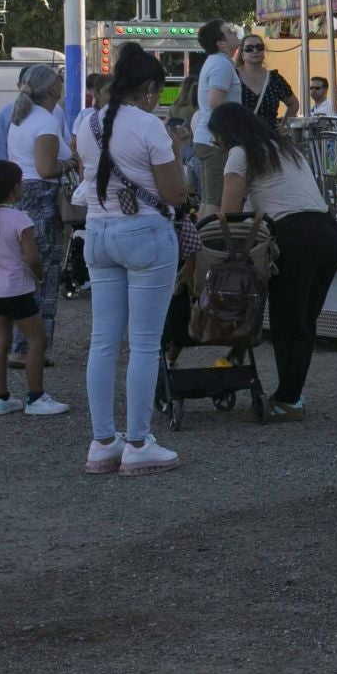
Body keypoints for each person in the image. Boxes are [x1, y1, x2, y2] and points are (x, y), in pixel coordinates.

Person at [74, 44, 189, 478]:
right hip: (144, 234)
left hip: (98, 233)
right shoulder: (150, 127)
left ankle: (103, 441)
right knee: (143, 343)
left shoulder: (87, 123)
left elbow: (90, 170)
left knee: (103, 341)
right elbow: (174, 193)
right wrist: (177, 149)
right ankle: (139, 442)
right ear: (148, 88)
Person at [212, 102, 337, 418]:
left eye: (216, 136)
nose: (216, 143)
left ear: (226, 133)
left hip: (293, 235)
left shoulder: (240, 154)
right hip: (329, 232)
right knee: (304, 320)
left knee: (287, 321)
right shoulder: (286, 149)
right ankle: (291, 395)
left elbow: (229, 215)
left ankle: (288, 400)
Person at [0, 159, 69, 418]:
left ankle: (1, 398)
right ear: (15, 188)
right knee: (37, 339)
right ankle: (36, 396)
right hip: (16, 287)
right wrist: (39, 277)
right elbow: (32, 257)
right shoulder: (20, 219)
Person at [4, 64, 72, 366]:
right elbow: (46, 168)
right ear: (53, 90)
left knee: (25, 274)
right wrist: (69, 165)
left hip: (22, 198)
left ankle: (19, 343)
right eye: (60, 82)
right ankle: (32, 347)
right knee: (44, 276)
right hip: (42, 199)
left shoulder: (20, 118)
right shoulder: (45, 121)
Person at [190, 19, 241, 216]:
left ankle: (202, 241)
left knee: (208, 199)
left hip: (207, 139)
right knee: (215, 201)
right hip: (215, 141)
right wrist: (228, 134)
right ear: (221, 43)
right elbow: (215, 102)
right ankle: (210, 243)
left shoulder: (218, 62)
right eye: (229, 31)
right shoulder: (221, 64)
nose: (234, 33)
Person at [235, 33, 298, 126]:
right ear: (242, 54)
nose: (255, 51)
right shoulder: (233, 76)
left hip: (268, 135)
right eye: (249, 48)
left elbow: (294, 103)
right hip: (240, 135)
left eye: (259, 47)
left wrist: (285, 125)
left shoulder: (274, 78)